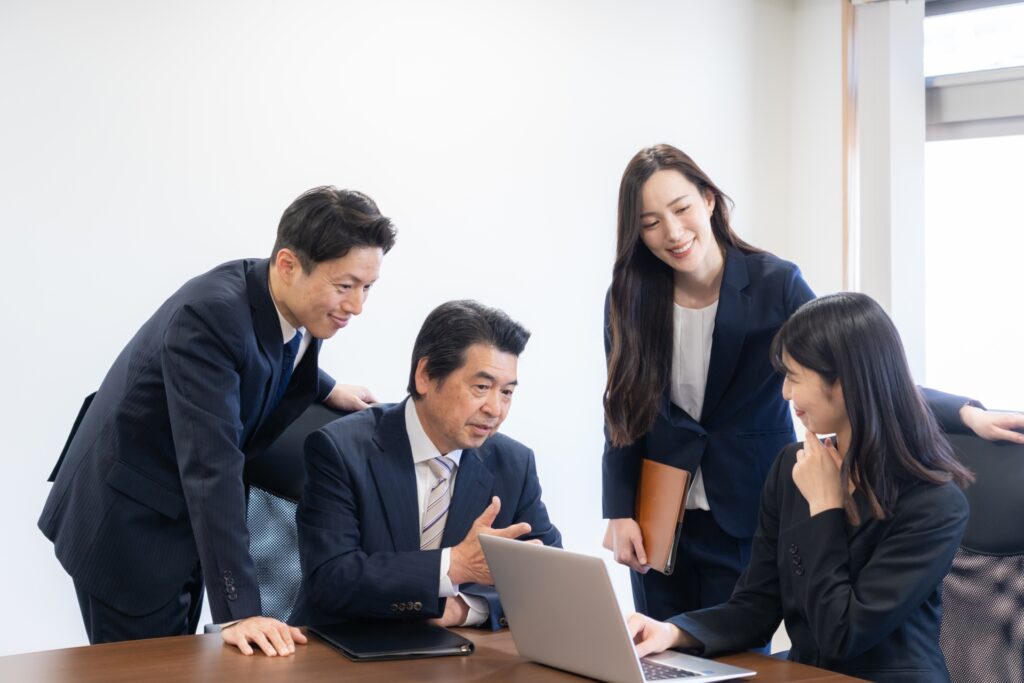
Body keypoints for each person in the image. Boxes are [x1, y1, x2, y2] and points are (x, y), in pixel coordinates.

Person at [601, 144, 1024, 620]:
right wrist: (619, 509)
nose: (673, 232)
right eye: (651, 222)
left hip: (747, 504)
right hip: (657, 515)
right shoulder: (629, 298)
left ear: (709, 200)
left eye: (681, 209)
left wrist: (964, 413)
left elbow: (857, 366)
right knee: (656, 650)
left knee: (733, 644)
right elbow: (622, 407)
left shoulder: (775, 282)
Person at [39, 186, 396, 653]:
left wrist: (324, 387)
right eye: (345, 286)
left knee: (178, 658)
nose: (356, 306)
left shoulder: (286, 298)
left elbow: (267, 352)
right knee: (148, 669)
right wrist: (241, 611)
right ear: (288, 264)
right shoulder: (209, 316)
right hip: (127, 523)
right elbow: (212, 466)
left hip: (183, 522)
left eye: (368, 287)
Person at [628, 292, 972, 682]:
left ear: (844, 382)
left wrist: (824, 508)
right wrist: (672, 632)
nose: (785, 393)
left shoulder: (936, 506)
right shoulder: (792, 467)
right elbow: (756, 606)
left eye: (794, 377)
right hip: (806, 674)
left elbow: (841, 634)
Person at [288, 300, 562, 633]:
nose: (495, 409)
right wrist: (453, 566)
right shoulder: (341, 450)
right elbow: (332, 579)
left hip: (455, 652)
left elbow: (553, 580)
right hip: (342, 645)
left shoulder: (513, 464)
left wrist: (466, 608)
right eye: (481, 387)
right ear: (426, 375)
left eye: (506, 392)